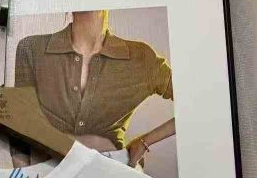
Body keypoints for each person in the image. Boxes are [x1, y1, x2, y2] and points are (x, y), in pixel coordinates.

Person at [13, 10, 175, 167]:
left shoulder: (141, 57)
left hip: (112, 172)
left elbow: (190, 100)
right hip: (48, 171)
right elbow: (21, 123)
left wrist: (145, 141)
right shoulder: (31, 49)